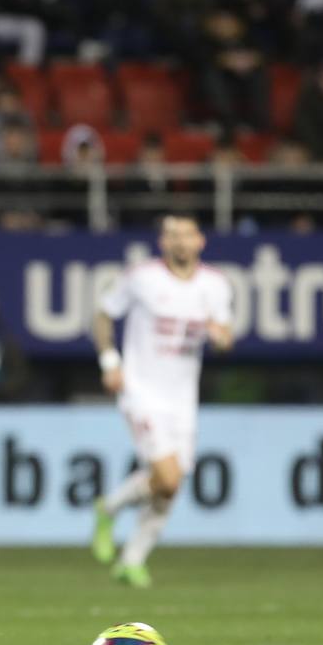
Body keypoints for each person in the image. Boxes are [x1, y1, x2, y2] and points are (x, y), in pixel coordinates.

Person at [91, 214, 234, 588]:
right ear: (162, 243)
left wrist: (221, 338)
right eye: (172, 235)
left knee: (169, 486)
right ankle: (114, 521)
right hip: (140, 391)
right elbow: (103, 315)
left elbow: (225, 334)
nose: (180, 241)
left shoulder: (215, 285)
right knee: (167, 476)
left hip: (183, 398)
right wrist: (111, 363)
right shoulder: (142, 278)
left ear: (200, 241)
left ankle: (126, 547)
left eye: (187, 234)